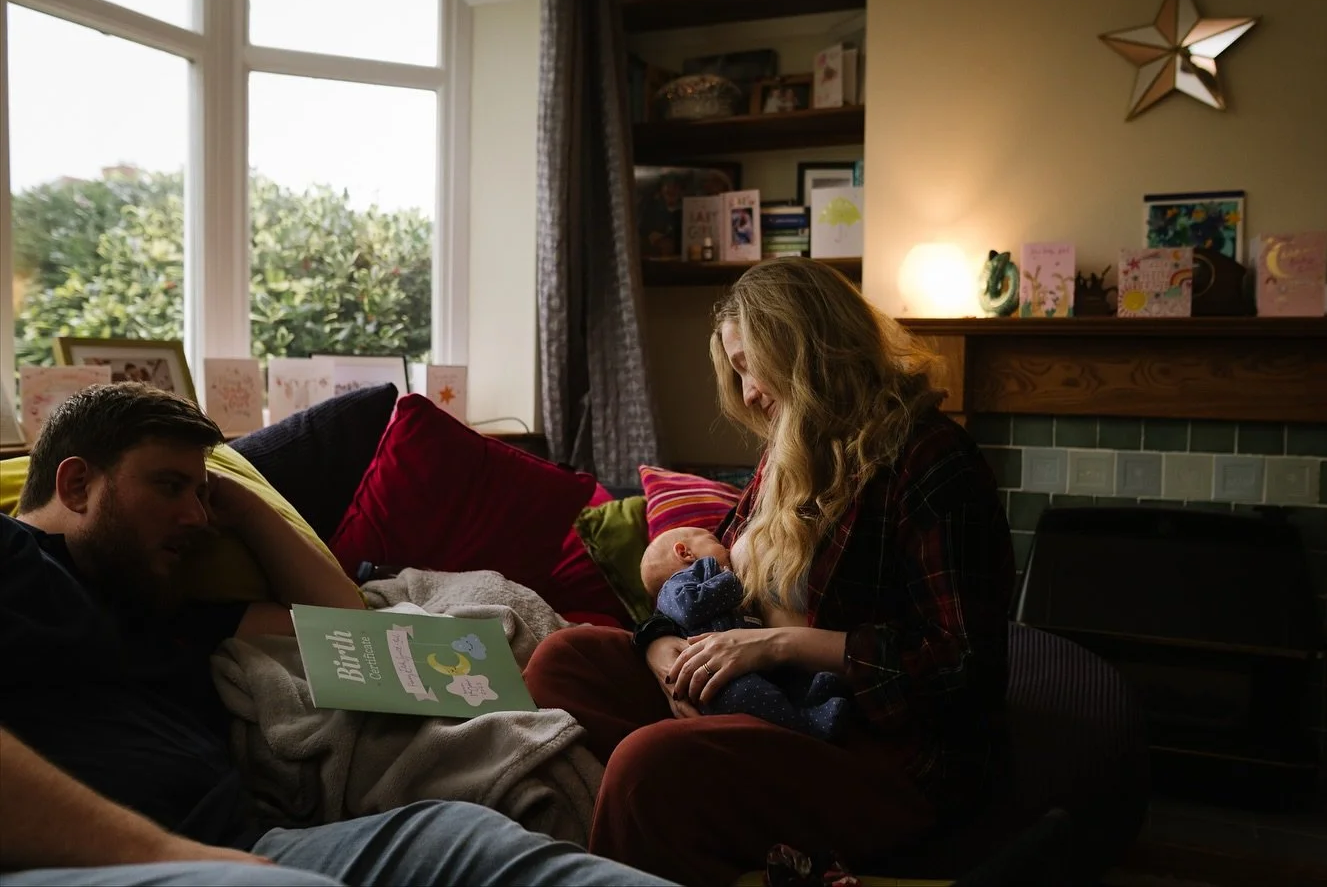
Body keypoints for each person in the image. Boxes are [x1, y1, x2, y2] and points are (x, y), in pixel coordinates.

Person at [0, 383, 675, 887]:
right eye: (170, 486)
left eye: (202, 495)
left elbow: (348, 632)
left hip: (255, 842)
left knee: (464, 836)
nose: (197, 517)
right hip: (102, 859)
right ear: (77, 482)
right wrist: (162, 855)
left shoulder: (166, 612)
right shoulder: (11, 560)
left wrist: (248, 503)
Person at [524, 257, 1016, 886]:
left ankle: (662, 807)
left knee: (650, 764)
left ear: (802, 347)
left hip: (864, 746)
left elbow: (964, 670)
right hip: (757, 703)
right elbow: (703, 587)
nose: (749, 394)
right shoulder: (789, 457)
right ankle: (657, 827)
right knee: (563, 660)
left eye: (747, 366)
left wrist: (778, 644)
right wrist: (666, 652)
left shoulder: (932, 461)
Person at [640, 527, 849, 740]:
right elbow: (689, 608)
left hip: (756, 662)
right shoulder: (683, 581)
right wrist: (655, 639)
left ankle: (815, 699)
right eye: (716, 541)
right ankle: (808, 725)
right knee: (758, 699)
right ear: (685, 553)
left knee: (780, 688)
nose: (727, 546)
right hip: (719, 676)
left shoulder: (711, 570)